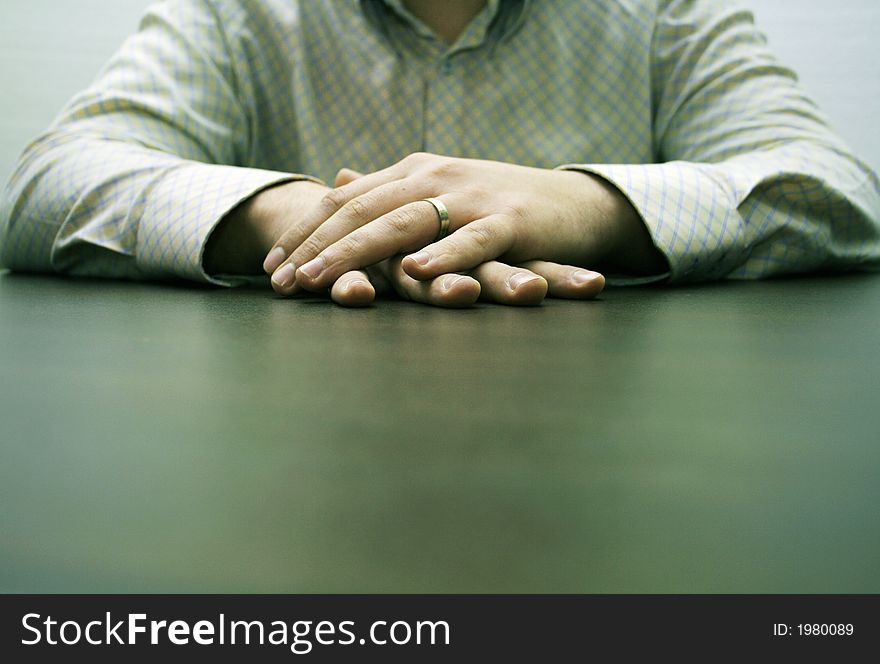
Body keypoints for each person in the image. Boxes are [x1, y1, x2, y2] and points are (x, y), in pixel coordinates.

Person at [1, 0, 878, 308]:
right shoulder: (240, 12)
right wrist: (312, 221)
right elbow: (47, 183)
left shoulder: (661, 11)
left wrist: (582, 207)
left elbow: (837, 191)